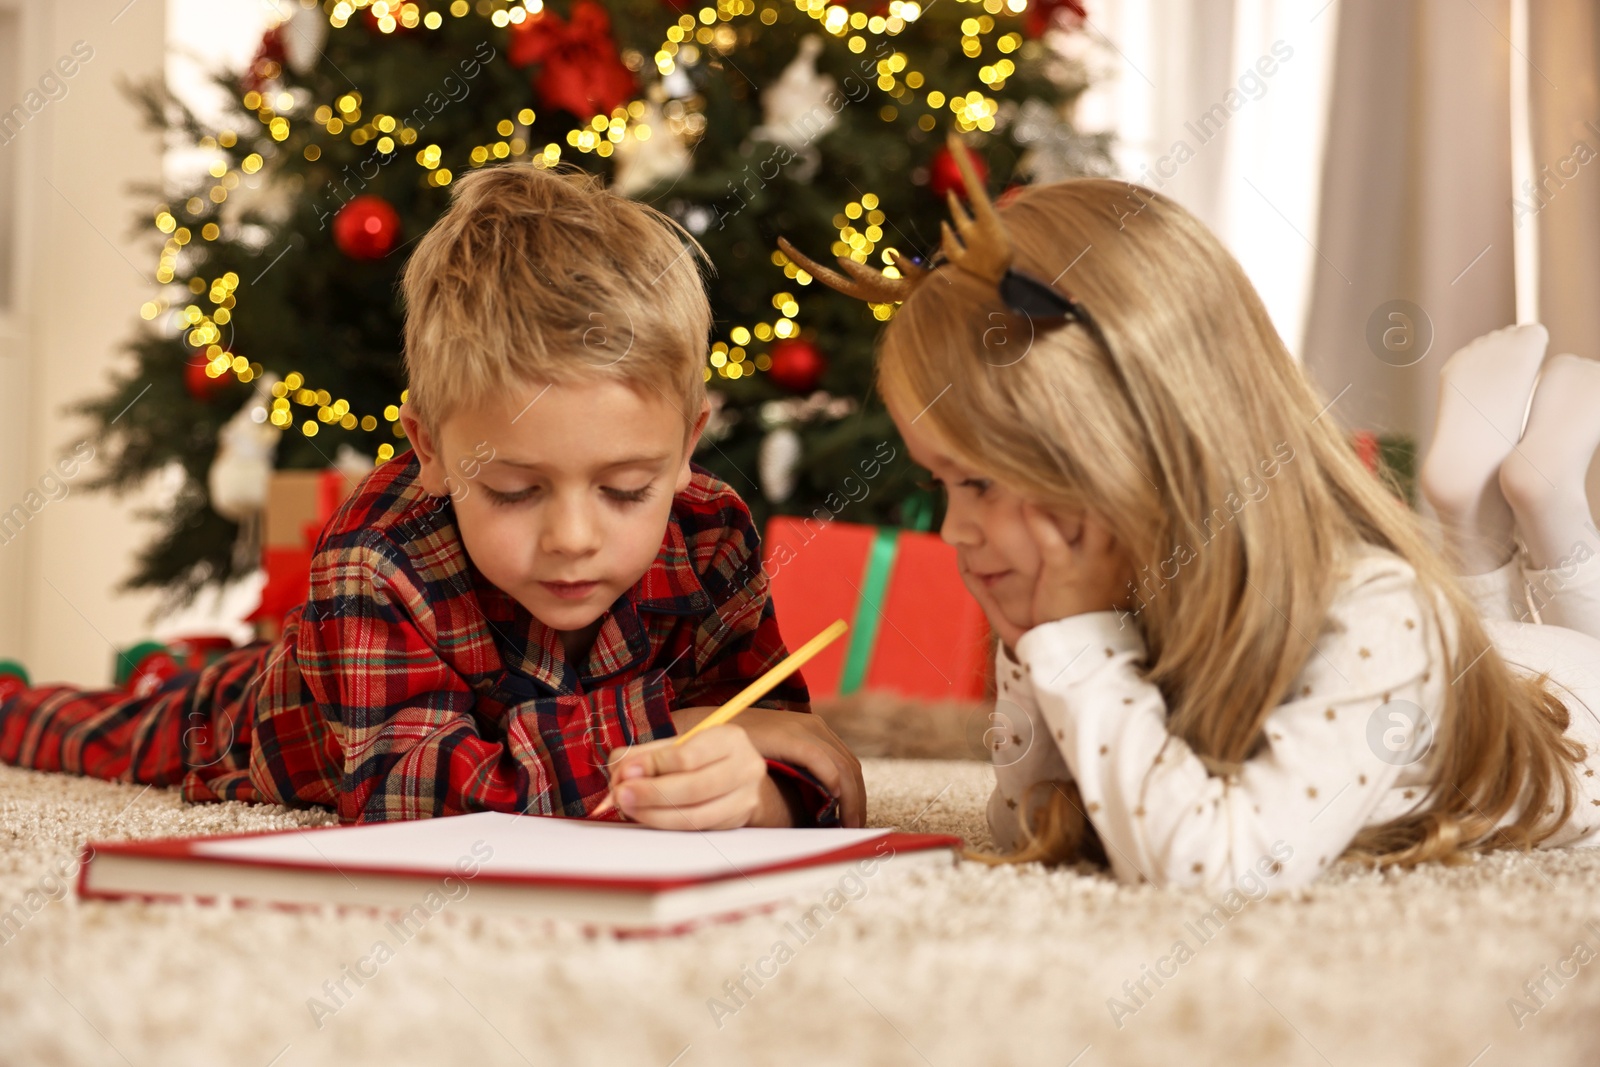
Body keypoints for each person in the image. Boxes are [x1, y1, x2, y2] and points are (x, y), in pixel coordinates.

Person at [781, 133, 1600, 891]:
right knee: (1471, 647)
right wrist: (1042, 652)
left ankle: (1533, 506)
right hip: (1464, 671)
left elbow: (1228, 866)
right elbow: (1030, 827)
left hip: (1577, 702)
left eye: (980, 484)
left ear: (1122, 455)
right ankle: (1485, 516)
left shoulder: (1375, 613)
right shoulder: (1108, 603)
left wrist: (1066, 646)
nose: (953, 530)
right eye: (943, 484)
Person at [0, 161, 864, 830]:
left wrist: (754, 793)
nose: (573, 536)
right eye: (517, 489)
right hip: (254, 724)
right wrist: (666, 727)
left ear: (685, 449)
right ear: (431, 450)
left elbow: (777, 738)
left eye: (626, 489)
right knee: (97, 727)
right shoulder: (377, 555)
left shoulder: (711, 533)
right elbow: (407, 793)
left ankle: (151, 667)